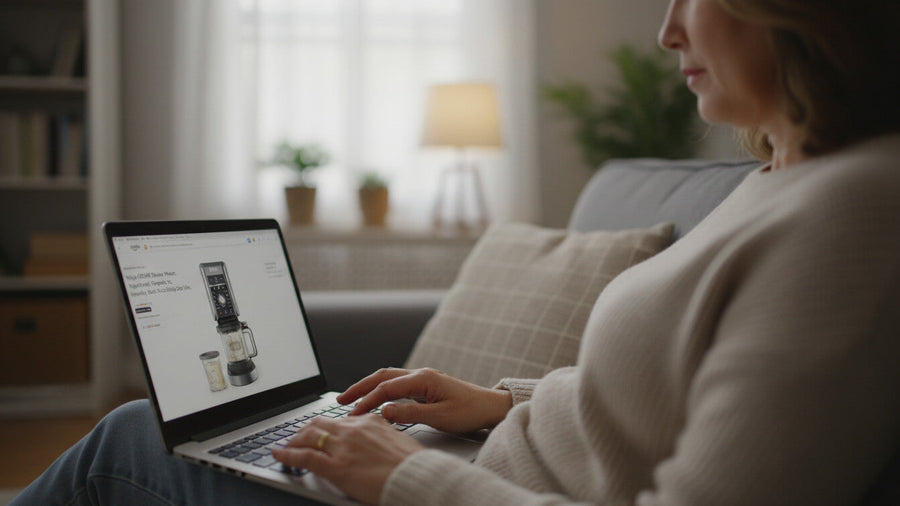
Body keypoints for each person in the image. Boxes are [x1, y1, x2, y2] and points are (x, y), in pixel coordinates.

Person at [13, 0, 900, 504]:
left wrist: (410, 477)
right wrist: (498, 402)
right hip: (479, 463)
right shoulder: (785, 176)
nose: (668, 31)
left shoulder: (855, 212)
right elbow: (658, 399)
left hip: (446, 493)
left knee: (130, 438)